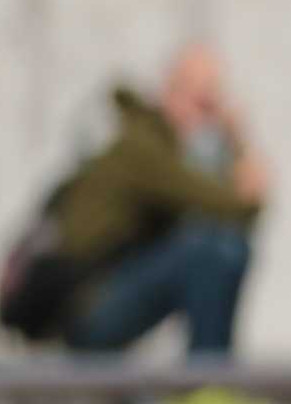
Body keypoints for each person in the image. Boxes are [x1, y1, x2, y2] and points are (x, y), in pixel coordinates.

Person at [49, 44, 268, 361]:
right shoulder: (144, 148)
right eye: (201, 103)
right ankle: (209, 377)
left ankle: (210, 373)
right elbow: (241, 205)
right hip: (82, 311)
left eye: (212, 105)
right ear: (170, 92)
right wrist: (237, 136)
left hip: (95, 302)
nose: (207, 117)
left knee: (218, 245)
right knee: (215, 249)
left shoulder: (156, 143)